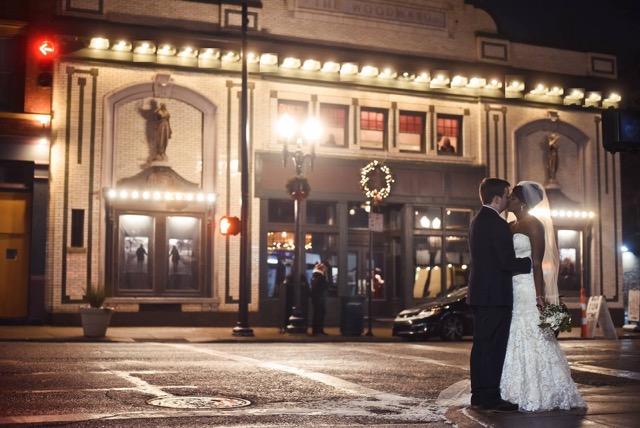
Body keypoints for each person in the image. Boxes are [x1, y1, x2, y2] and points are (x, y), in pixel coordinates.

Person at [499, 181, 585, 411]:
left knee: (532, 333)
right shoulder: (510, 225)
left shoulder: (534, 225)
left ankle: (543, 389)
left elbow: (537, 263)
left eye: (513, 199)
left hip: (527, 287)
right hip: (511, 286)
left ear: (523, 203)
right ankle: (511, 388)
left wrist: (539, 296)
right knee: (512, 334)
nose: (509, 201)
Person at [467, 178, 532, 411]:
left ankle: (479, 394)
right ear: (497, 198)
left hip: (480, 293)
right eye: (506, 195)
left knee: (481, 346)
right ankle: (491, 397)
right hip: (495, 295)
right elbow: (505, 261)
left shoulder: (478, 220)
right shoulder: (496, 223)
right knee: (493, 347)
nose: (507, 199)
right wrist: (528, 263)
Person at [310, 262, 328, 336]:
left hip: (317, 299)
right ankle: (318, 331)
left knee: (318, 314)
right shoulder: (320, 277)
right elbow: (325, 287)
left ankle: (318, 330)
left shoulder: (315, 277)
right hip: (319, 299)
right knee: (319, 315)